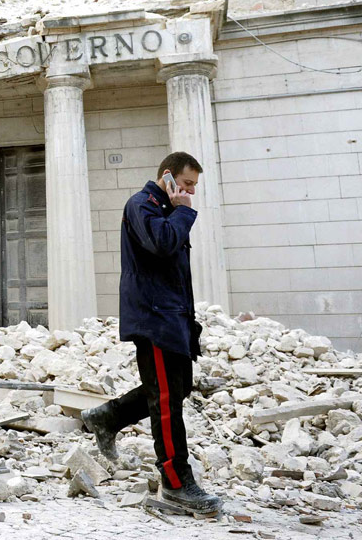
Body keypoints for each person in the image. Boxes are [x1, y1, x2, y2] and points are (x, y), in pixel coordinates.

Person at [80, 152, 223, 515]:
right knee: (166, 401)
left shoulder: (168, 209)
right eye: (187, 184)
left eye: (193, 187)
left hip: (173, 317)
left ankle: (108, 417)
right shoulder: (141, 206)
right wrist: (183, 211)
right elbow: (161, 243)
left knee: (175, 389)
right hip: (154, 319)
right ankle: (176, 483)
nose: (190, 192)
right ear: (168, 177)